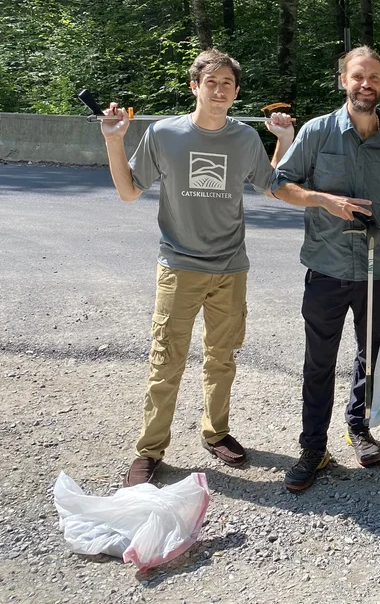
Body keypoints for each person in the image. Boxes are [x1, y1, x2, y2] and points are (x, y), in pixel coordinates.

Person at [100, 48, 295, 487]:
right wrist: (114, 140)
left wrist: (283, 140)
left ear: (236, 91)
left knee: (221, 358)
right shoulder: (165, 134)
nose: (220, 89)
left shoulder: (244, 138)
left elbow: (271, 187)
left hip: (231, 267)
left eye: (228, 83)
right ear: (195, 87)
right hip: (179, 266)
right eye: (212, 82)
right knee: (165, 360)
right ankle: (150, 450)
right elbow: (129, 191)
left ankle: (216, 431)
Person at [272, 46, 380, 493]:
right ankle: (313, 447)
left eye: (373, 77)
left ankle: (359, 426)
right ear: (343, 80)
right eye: (357, 76)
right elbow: (280, 183)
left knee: (370, 359)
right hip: (328, 269)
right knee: (319, 363)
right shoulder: (316, 132)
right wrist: (323, 200)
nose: (365, 84)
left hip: (378, 272)